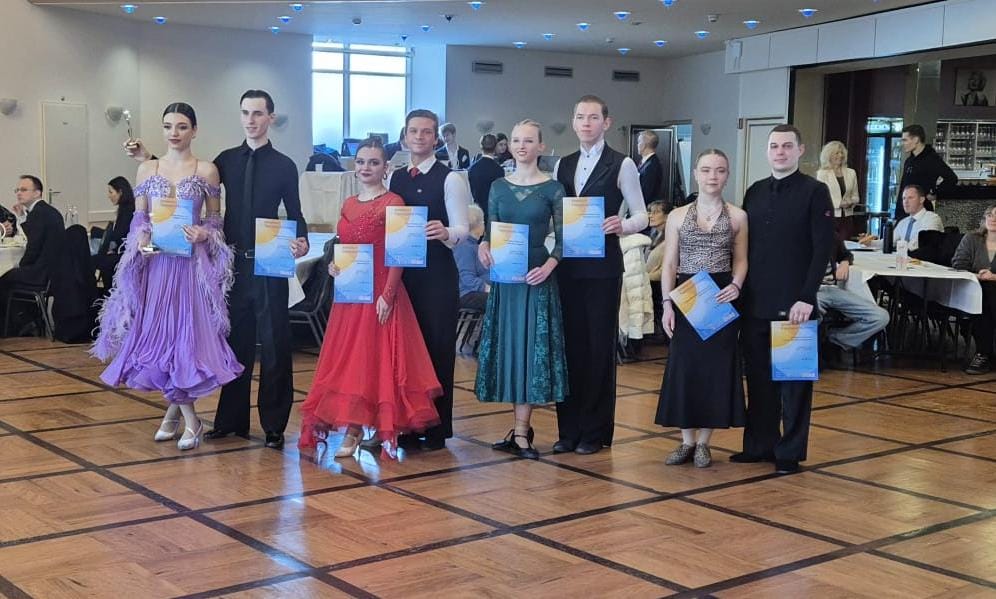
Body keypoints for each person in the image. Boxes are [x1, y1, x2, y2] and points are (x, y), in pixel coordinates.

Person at [126, 90, 309, 449]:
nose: (251, 120)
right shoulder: (225, 160)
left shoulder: (284, 165)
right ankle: (230, 421)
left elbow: (296, 213)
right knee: (233, 341)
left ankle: (273, 425)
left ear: (270, 118)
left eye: (258, 113)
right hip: (231, 262)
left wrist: (301, 241)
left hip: (270, 259)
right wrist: (148, 159)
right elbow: (182, 178)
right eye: (245, 113)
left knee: (275, 343)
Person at [93, 102, 242, 451]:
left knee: (184, 338)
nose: (174, 133)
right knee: (160, 338)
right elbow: (140, 219)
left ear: (194, 130)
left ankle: (183, 419)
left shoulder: (207, 170)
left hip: (191, 267)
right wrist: (142, 240)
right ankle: (185, 419)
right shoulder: (147, 169)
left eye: (182, 126)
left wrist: (204, 233)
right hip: (158, 265)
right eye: (168, 126)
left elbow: (216, 221)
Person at [298, 138, 442, 459]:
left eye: (374, 162)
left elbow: (399, 254)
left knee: (372, 362)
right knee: (351, 362)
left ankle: (357, 430)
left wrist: (387, 295)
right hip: (351, 293)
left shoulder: (394, 202)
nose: (366, 168)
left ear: (385, 167)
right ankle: (355, 427)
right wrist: (335, 267)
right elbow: (345, 245)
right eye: (361, 162)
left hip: (380, 292)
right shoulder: (349, 203)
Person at [735, 124, 834, 475]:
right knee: (759, 380)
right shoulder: (755, 191)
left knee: (794, 384)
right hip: (755, 303)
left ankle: (789, 452)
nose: (780, 152)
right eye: (774, 146)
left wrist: (807, 297)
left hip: (796, 305)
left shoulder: (815, 191)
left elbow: (822, 248)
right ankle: (759, 445)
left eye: (787, 146)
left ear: (800, 150)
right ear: (767, 151)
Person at [553, 94, 648, 455]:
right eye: (581, 117)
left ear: (606, 123)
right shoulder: (563, 164)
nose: (586, 123)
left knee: (598, 349)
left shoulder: (622, 163)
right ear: (573, 122)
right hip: (568, 267)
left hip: (603, 268)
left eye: (593, 117)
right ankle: (568, 429)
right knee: (569, 348)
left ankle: (594, 431)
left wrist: (622, 225)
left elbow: (642, 215)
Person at [476, 119, 568, 459]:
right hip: (506, 278)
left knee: (531, 350)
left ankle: (522, 432)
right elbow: (490, 230)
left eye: (528, 140)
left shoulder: (553, 188)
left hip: (536, 276)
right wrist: (483, 246)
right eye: (516, 140)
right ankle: (517, 431)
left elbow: (566, 239)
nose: (521, 146)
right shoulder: (497, 186)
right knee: (511, 347)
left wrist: (549, 266)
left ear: (540, 146)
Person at [383, 108, 470, 451]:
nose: (419, 137)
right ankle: (408, 423)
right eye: (413, 131)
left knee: (437, 349)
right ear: (405, 136)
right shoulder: (396, 178)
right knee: (406, 352)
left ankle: (436, 428)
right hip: (404, 276)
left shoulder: (450, 179)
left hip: (437, 276)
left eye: (426, 132)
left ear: (436, 138)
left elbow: (463, 229)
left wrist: (446, 231)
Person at [655, 149, 748, 468]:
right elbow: (669, 264)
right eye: (706, 170)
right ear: (696, 174)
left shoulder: (738, 216)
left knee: (715, 370)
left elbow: (742, 259)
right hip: (687, 294)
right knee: (685, 367)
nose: (712, 176)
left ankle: (704, 443)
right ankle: (686, 441)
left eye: (719, 170)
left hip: (720, 296)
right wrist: (667, 303)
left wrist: (736, 285)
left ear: (727, 175)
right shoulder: (677, 215)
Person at [0, 175, 65, 332]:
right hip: (52, 272)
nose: (19, 193)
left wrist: (21, 265)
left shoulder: (38, 213)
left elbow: (33, 249)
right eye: (17, 190)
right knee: (10, 275)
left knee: (4, 277)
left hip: (41, 273)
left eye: (23, 190)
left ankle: (14, 325)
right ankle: (28, 320)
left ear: (37, 193)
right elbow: (33, 237)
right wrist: (22, 216)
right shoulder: (46, 211)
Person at [817, 237, 889, 360]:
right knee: (810, 310)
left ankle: (834, 339)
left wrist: (845, 262)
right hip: (808, 291)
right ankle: (812, 348)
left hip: (832, 289)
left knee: (880, 317)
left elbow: (846, 254)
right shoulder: (795, 237)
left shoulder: (831, 236)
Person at [952, 206, 996, 374]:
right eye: (989, 215)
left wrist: (993, 277)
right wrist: (978, 275)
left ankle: (984, 353)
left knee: (988, 293)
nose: (992, 218)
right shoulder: (971, 239)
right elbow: (958, 264)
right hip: (976, 288)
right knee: (983, 294)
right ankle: (984, 352)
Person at [896, 124, 958, 220]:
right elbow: (903, 187)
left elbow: (952, 178)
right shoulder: (909, 161)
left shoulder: (932, 159)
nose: (903, 143)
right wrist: (898, 214)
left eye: (905, 140)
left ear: (916, 139)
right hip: (905, 213)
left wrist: (935, 193)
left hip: (923, 212)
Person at [93, 176, 136, 292]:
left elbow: (121, 235)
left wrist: (113, 249)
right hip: (122, 250)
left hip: (128, 254)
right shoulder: (124, 208)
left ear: (120, 192)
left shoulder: (128, 211)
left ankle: (108, 292)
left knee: (100, 261)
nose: (109, 195)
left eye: (111, 192)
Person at [815, 141, 860, 239]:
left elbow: (856, 196)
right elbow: (820, 198)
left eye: (842, 152)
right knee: (830, 245)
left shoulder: (851, 173)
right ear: (829, 155)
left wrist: (850, 202)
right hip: (829, 217)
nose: (840, 155)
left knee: (845, 245)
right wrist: (838, 204)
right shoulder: (822, 174)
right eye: (837, 153)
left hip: (847, 218)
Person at [454, 203, 490, 311]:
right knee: (501, 301)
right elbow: (467, 278)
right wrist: (489, 289)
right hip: (468, 294)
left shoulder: (472, 245)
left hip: (474, 292)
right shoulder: (464, 246)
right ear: (479, 225)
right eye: (483, 222)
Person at [893, 184, 943, 252]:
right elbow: (890, 241)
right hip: (903, 257)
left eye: (910, 198)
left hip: (924, 258)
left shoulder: (932, 219)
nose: (906, 202)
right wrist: (877, 243)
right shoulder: (903, 222)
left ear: (921, 200)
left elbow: (919, 244)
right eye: (904, 198)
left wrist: (900, 247)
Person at [468, 133, 505, 222]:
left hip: (477, 211)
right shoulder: (499, 170)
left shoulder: (472, 168)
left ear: (481, 146)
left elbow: (472, 191)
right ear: (495, 147)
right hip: (493, 212)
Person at [645, 200, 668, 334]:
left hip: (658, 288)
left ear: (667, 216)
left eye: (656, 212)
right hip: (649, 284)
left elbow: (664, 272)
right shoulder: (653, 235)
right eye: (650, 212)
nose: (651, 215)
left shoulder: (670, 240)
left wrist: (643, 277)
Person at [637, 130, 663, 206]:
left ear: (644, 145)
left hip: (645, 208)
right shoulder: (646, 162)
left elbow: (646, 193)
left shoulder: (651, 166)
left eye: (639, 142)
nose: (637, 145)